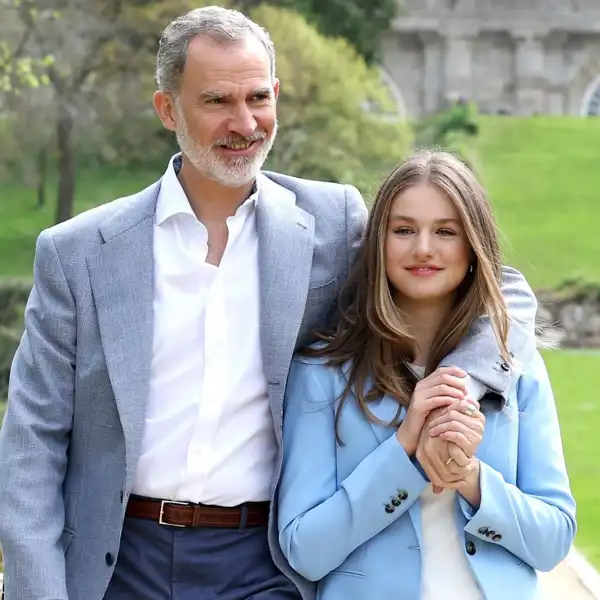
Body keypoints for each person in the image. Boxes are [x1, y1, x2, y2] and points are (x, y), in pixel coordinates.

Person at [0, 5, 538, 600]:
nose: (244, 122)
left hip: (263, 566)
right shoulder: (78, 254)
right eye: (216, 102)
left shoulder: (330, 224)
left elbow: (493, 283)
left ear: (277, 95)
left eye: (258, 97)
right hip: (117, 561)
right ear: (167, 109)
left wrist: (461, 383)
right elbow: (32, 445)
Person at [276, 151, 576, 600]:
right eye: (403, 230)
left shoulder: (518, 367)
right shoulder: (322, 371)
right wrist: (407, 452)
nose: (423, 249)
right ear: (378, 241)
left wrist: (469, 477)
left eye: (445, 231)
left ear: (473, 244)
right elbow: (304, 549)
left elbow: (554, 539)